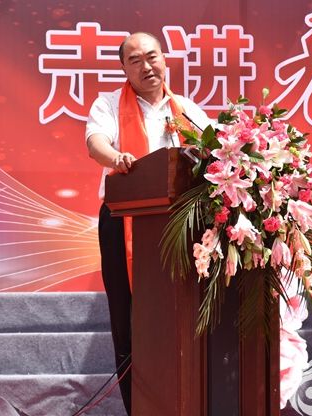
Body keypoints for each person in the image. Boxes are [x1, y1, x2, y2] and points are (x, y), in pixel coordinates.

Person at [84, 32, 211, 415]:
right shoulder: (108, 103)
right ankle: (138, 407)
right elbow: (95, 143)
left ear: (164, 59)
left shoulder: (187, 110)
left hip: (180, 226)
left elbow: (215, 154)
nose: (146, 66)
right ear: (124, 68)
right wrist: (116, 157)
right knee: (131, 319)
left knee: (177, 315)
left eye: (151, 56)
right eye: (135, 60)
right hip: (123, 221)